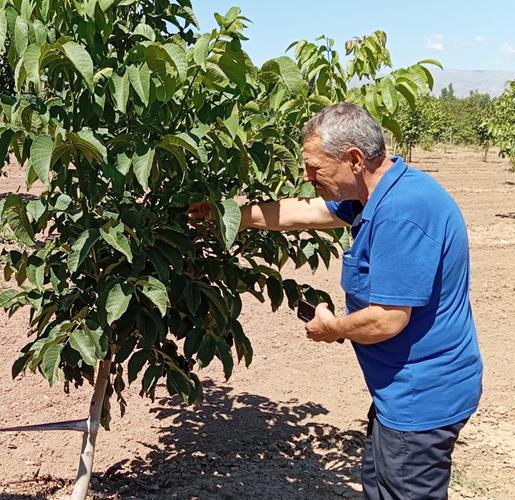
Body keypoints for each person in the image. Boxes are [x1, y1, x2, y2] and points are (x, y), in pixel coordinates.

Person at [191, 102, 482, 499]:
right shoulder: (377, 191)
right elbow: (303, 213)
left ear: (355, 159)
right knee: (379, 485)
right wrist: (226, 215)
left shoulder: (401, 211)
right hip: (400, 393)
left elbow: (387, 319)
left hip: (421, 396)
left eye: (314, 167)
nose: (306, 176)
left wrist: (332, 329)